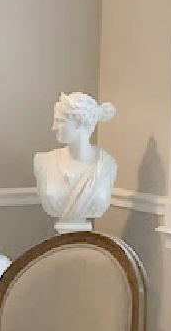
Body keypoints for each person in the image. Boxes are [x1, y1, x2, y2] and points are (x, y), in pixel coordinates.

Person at [34, 91, 118, 231]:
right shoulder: (44, 162)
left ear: (79, 121)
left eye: (60, 121)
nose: (54, 127)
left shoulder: (106, 166)